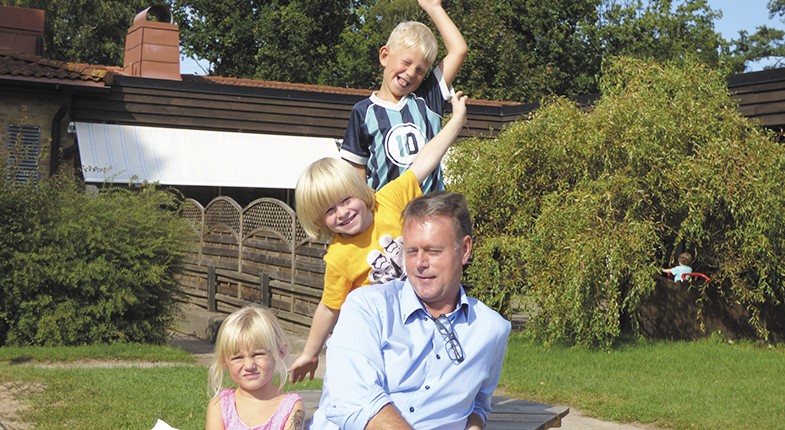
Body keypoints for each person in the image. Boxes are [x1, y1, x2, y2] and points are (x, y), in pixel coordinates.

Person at [290, 92, 469, 383]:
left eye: (346, 200)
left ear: (359, 190)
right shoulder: (339, 257)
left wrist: (457, 120)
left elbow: (425, 160)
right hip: (384, 335)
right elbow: (329, 307)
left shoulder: (389, 199)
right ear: (318, 220)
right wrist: (310, 352)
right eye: (329, 211)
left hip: (426, 312)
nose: (342, 213)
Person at [309, 192, 512, 430]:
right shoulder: (368, 308)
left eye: (433, 251)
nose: (419, 264)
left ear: (464, 249)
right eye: (411, 251)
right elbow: (352, 400)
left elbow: (478, 405)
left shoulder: (491, 329)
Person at [340, 0, 467, 194]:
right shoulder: (363, 112)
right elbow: (357, 175)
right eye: (406, 62)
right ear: (385, 56)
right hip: (388, 209)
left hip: (432, 208)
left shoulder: (428, 98)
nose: (410, 73)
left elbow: (459, 50)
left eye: (420, 70)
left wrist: (434, 8)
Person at [206, 306, 305, 430]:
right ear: (224, 361)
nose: (249, 365)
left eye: (258, 354)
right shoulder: (220, 406)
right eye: (238, 357)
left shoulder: (292, 407)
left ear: (280, 352)